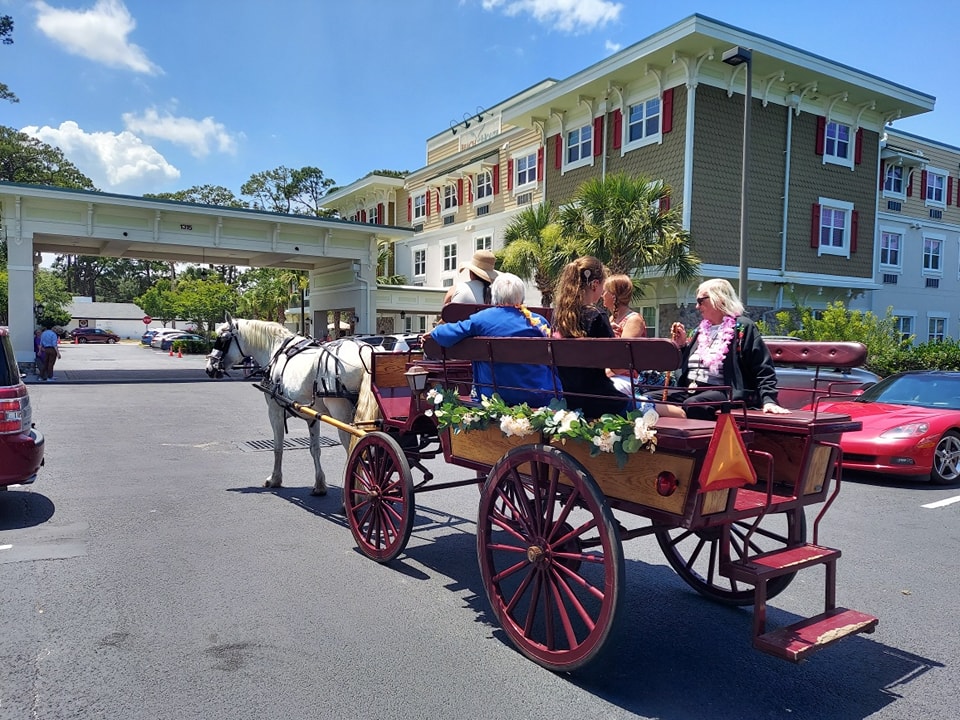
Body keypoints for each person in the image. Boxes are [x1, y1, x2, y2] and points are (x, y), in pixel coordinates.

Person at [664, 278, 789, 420]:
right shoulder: (700, 330)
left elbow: (762, 367)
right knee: (647, 399)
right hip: (692, 389)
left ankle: (702, 441)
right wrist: (681, 346)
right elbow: (688, 365)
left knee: (693, 405)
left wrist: (769, 400)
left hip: (725, 391)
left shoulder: (742, 327)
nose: (697, 307)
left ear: (719, 299)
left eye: (700, 301)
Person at [430, 273, 558, 407]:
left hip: (495, 398)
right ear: (522, 297)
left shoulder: (482, 319)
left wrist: (434, 331)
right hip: (540, 397)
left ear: (494, 296)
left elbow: (445, 335)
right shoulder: (539, 323)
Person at [552, 257, 630, 418]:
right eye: (602, 285)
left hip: (572, 402)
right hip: (606, 403)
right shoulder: (596, 316)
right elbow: (618, 367)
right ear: (595, 284)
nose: (602, 291)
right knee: (677, 412)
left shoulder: (560, 318)